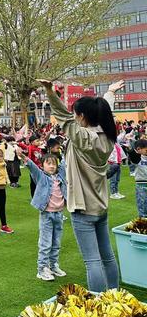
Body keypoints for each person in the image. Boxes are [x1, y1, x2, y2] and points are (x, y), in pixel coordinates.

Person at [38, 79, 123, 292]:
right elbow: (105, 110)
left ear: (82, 117)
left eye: (77, 113)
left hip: (83, 208)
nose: (74, 116)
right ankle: (114, 297)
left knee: (92, 261)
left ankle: (98, 302)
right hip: (100, 206)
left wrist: (49, 91)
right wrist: (109, 92)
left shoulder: (83, 136)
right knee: (108, 257)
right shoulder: (107, 134)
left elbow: (64, 117)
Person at [19, 151, 67, 281]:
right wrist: (23, 156)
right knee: (45, 243)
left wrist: (67, 147)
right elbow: (31, 166)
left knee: (56, 242)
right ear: (43, 165)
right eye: (48, 163)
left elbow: (64, 162)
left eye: (54, 164)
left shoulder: (61, 175)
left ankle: (53, 265)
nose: (52, 166)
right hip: (47, 214)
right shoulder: (41, 176)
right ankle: (42, 269)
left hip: (59, 214)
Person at [126, 139, 147, 217]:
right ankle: (143, 226)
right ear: (139, 149)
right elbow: (133, 155)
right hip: (142, 186)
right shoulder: (138, 158)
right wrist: (130, 149)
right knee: (143, 209)